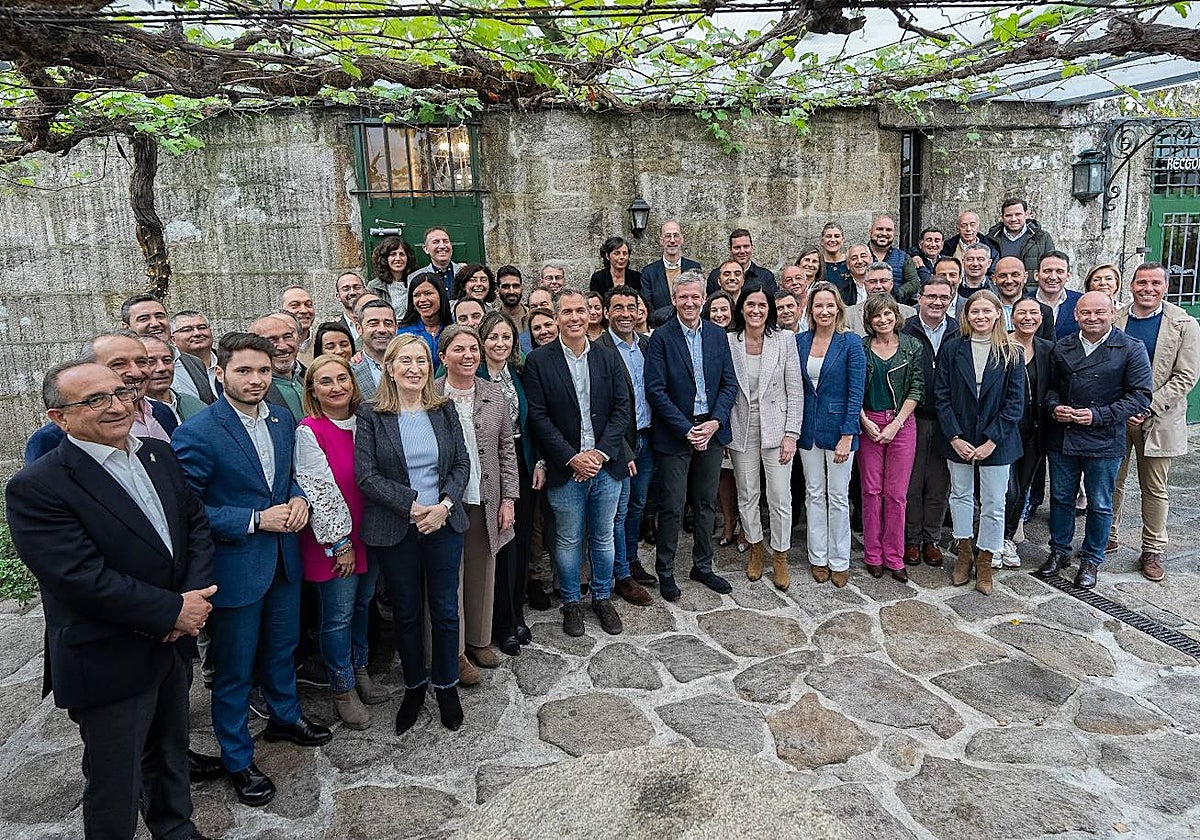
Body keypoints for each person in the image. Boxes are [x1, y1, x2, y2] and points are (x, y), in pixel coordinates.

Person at [6, 361, 216, 840]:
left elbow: (195, 527)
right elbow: (78, 577)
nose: (118, 406)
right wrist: (171, 611)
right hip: (109, 653)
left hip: (173, 642)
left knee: (170, 753)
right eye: (96, 400)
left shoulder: (158, 455)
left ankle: (176, 829)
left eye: (121, 393)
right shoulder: (38, 486)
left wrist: (193, 601)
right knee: (114, 779)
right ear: (59, 418)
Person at [172, 332, 331, 808]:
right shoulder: (198, 432)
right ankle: (238, 758)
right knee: (235, 670)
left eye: (263, 370)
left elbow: (290, 477)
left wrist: (300, 498)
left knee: (283, 648)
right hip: (236, 567)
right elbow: (186, 508)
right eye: (244, 370)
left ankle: (285, 716)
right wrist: (254, 519)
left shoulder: (283, 419)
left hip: (283, 560)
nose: (256, 379)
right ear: (220, 373)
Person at [356, 334, 471, 733]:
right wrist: (411, 506)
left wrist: (442, 507)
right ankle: (415, 685)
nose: (414, 369)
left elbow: (461, 465)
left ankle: (446, 684)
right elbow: (366, 476)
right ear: (389, 367)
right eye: (405, 361)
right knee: (405, 613)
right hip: (396, 527)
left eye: (421, 360)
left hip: (443, 523)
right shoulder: (371, 414)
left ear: (429, 366)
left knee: (444, 609)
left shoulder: (444, 409)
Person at [524, 289, 632, 635]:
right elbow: (538, 418)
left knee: (603, 537)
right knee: (568, 539)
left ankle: (602, 596)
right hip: (565, 469)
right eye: (567, 312)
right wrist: (572, 458)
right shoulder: (539, 362)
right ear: (556, 318)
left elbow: (622, 408)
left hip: (605, 466)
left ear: (590, 315)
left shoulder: (607, 356)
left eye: (580, 311)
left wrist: (600, 454)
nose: (574, 317)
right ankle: (571, 602)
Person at [294, 354, 389, 730]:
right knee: (337, 616)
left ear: (353, 383)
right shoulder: (310, 430)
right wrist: (340, 544)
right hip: (335, 540)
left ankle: (360, 669)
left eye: (342, 379)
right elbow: (319, 490)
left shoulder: (366, 422)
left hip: (371, 532)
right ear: (313, 390)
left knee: (363, 606)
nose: (336, 387)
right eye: (326, 381)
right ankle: (342, 688)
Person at [1038, 292, 1152, 589]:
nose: (1092, 318)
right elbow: (1049, 389)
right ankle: (1059, 550)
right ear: (1076, 315)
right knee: (1061, 498)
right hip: (1064, 435)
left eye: (1099, 312)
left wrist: (1099, 415)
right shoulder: (1063, 347)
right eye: (1085, 313)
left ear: (1112, 313)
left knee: (1100, 503)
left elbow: (1141, 395)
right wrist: (1054, 407)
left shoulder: (1130, 348)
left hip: (1104, 438)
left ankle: (1091, 559)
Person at [646, 272, 739, 600]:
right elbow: (655, 392)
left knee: (705, 503)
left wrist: (714, 422)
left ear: (704, 298)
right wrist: (687, 430)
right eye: (682, 297)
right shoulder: (661, 338)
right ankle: (666, 571)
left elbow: (729, 384)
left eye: (695, 297)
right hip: (676, 434)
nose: (689, 302)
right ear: (674, 299)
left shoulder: (717, 335)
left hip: (710, 432)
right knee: (672, 506)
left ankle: (703, 565)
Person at [436, 326, 519, 671]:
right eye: (459, 349)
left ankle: (480, 640)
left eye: (473, 348)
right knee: (448, 578)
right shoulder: (431, 395)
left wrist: (509, 499)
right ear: (442, 357)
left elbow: (506, 449)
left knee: (483, 571)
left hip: (486, 496)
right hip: (445, 501)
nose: (468, 355)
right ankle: (453, 652)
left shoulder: (493, 394)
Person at [1112, 263, 1200, 581]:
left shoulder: (1183, 324)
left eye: (1155, 283)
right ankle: (1108, 535)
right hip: (1120, 416)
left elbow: (1186, 375)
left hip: (1159, 417)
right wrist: (1123, 407)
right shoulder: (1117, 318)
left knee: (1155, 487)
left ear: (1165, 287)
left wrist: (1147, 406)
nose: (1148, 288)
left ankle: (1152, 549)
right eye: (1141, 282)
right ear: (1131, 286)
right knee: (1112, 480)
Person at [936, 291, 1026, 595]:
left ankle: (986, 557)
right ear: (967, 315)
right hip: (958, 436)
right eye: (975, 312)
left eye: (987, 311)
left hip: (997, 440)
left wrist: (992, 441)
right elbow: (942, 396)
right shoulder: (952, 349)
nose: (981, 317)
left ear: (998, 314)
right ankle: (964, 552)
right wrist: (954, 436)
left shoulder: (1011, 352)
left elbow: (1015, 403)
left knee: (994, 501)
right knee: (960, 495)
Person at [726, 286, 803, 590]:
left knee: (780, 496)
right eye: (750, 304)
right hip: (742, 425)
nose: (755, 310)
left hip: (777, 427)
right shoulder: (730, 341)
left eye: (761, 305)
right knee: (747, 492)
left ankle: (780, 556)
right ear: (741, 308)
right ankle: (757, 548)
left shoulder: (784, 340)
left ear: (769, 309)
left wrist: (791, 434)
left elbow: (795, 390)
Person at [796, 282, 864, 588]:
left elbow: (855, 393)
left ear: (838, 309)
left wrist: (848, 434)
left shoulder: (851, 343)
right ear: (810, 310)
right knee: (813, 494)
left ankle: (839, 560)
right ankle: (817, 557)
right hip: (807, 430)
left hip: (839, 432)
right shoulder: (799, 342)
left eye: (829, 305)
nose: (824, 311)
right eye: (818, 306)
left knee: (837, 497)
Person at [477, 311, 536, 650]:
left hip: (521, 462)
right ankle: (499, 622)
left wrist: (538, 460)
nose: (500, 343)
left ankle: (516, 614)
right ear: (482, 341)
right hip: (490, 467)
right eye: (493, 337)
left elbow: (529, 423)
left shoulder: (517, 372)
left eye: (506, 337)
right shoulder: (476, 373)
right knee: (497, 545)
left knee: (520, 542)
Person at [595, 286, 658, 605]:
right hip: (621, 445)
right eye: (617, 308)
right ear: (606, 312)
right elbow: (601, 408)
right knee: (617, 513)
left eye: (630, 308)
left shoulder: (648, 345)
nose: (625, 314)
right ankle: (620, 575)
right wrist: (622, 449)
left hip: (648, 436)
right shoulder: (599, 349)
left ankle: (631, 561)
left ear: (639, 311)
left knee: (637, 506)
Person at [25, 332, 175, 461]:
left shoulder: (162, 411)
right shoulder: (52, 438)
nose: (136, 372)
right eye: (119, 364)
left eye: (142, 362)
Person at [857, 294, 923, 581]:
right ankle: (873, 554)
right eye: (876, 316)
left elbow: (917, 388)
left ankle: (894, 556)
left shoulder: (911, 346)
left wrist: (895, 424)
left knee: (896, 495)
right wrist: (864, 421)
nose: (883, 320)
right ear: (869, 321)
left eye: (887, 314)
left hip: (902, 423)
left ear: (896, 316)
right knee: (871, 492)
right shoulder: (861, 348)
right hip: (868, 422)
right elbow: (853, 387)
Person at [901, 276, 956, 566]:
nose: (937, 302)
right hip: (914, 417)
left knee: (938, 484)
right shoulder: (906, 329)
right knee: (912, 482)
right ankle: (911, 539)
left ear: (950, 299)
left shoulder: (959, 331)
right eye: (931, 296)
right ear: (919, 298)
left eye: (943, 297)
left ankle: (931, 538)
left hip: (947, 420)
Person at [1003, 298, 1053, 566]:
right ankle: (994, 536)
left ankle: (1007, 538)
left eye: (1034, 312)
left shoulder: (1047, 350)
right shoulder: (1000, 347)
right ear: (1012, 317)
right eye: (1021, 312)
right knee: (1007, 489)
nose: (1028, 317)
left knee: (1022, 488)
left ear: (1041, 318)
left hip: (1035, 432)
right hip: (1006, 430)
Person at [123, 294, 216, 404]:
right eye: (144, 319)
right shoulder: (124, 370)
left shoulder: (194, 363)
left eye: (160, 316)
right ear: (126, 327)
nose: (155, 323)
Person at [701, 291, 741, 548]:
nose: (719, 315)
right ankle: (727, 522)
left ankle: (747, 527)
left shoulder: (740, 338)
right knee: (723, 476)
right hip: (716, 415)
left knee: (745, 476)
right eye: (714, 310)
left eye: (724, 310)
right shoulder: (703, 338)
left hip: (741, 413)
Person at [248, 313, 306, 421]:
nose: (283, 346)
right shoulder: (251, 391)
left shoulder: (307, 378)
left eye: (287, 337)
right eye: (272, 340)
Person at [142, 334, 207, 424]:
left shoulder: (193, 404)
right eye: (150, 362)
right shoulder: (131, 414)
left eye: (167, 360)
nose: (162, 368)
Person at [987, 197, 1056, 281]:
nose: (1013, 219)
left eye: (1018, 214)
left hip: (1032, 291)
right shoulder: (991, 239)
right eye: (1009, 215)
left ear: (1026, 215)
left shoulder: (1042, 237)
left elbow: (1052, 266)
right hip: (1000, 291)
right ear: (1002, 217)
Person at [641, 220, 701, 314]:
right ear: (661, 241)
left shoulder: (694, 268)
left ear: (682, 239)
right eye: (668, 236)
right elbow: (647, 306)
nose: (672, 240)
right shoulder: (649, 273)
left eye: (676, 235)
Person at [846, 262, 916, 335]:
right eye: (872, 282)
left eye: (884, 281)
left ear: (891, 283)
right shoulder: (849, 315)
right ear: (865, 284)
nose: (878, 286)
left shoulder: (909, 313)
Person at [350, 299, 397, 401]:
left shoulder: (410, 364)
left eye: (388, 323)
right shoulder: (350, 372)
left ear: (396, 327)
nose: (382, 330)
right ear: (359, 328)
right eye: (373, 323)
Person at [707, 229, 777, 295]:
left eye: (746, 246)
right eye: (737, 247)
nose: (742, 251)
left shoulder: (766, 277)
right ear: (730, 250)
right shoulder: (715, 276)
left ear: (752, 248)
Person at [1031, 251, 1082, 339]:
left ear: (1068, 276)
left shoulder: (1080, 301)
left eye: (1059, 271)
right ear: (1036, 275)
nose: (1053, 277)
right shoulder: (1024, 302)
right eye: (1047, 271)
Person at [866, 212, 918, 297]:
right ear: (870, 232)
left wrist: (897, 293)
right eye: (879, 229)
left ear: (894, 234)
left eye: (889, 230)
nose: (884, 233)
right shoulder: (860, 256)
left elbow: (914, 283)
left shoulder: (903, 257)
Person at [398, 276, 451, 356]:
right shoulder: (404, 333)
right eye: (416, 295)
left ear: (441, 295)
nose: (422, 300)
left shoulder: (453, 331)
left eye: (428, 293)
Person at [171, 310, 220, 397]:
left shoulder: (228, 361)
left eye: (202, 327)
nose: (197, 333)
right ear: (173, 340)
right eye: (187, 330)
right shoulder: (172, 370)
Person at [408, 226, 462, 297]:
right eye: (436, 242)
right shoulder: (414, 278)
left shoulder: (464, 272)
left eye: (445, 241)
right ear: (426, 249)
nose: (442, 246)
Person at [368, 236, 416, 315]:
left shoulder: (416, 281)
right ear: (385, 259)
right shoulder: (375, 286)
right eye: (393, 254)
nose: (398, 258)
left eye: (402, 254)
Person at [280, 285, 318, 366]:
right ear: (281, 310)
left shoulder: (323, 342)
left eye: (308, 305)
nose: (304, 310)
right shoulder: (275, 347)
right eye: (295, 305)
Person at [334, 271, 367, 345]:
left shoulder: (379, 323)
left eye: (357, 287)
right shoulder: (334, 329)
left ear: (365, 291)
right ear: (338, 296)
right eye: (346, 289)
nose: (352, 292)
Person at [495, 265, 529, 332]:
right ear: (497, 290)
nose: (511, 291)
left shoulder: (533, 316)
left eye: (516, 286)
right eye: (506, 287)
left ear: (522, 288)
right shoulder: (492, 320)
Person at [820, 222, 848, 290]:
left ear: (842, 240)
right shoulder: (817, 263)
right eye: (828, 236)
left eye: (837, 236)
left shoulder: (850, 262)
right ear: (822, 240)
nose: (833, 240)